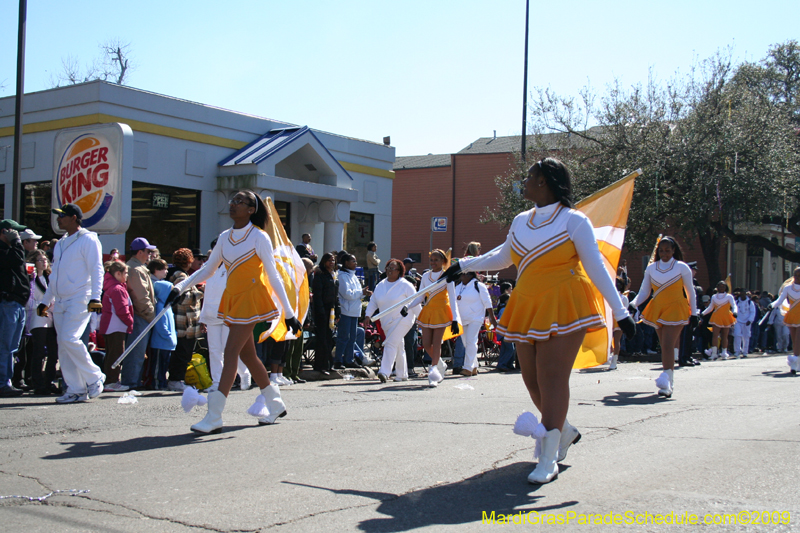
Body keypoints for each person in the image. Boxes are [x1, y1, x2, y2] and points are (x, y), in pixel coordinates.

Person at [443, 158, 635, 484]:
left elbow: (597, 268)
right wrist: (464, 264)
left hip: (565, 303)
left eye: (530, 176)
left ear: (545, 181)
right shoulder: (520, 220)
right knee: (532, 380)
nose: (525, 181)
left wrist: (621, 312)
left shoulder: (574, 221)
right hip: (527, 303)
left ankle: (548, 457)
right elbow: (504, 256)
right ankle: (564, 430)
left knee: (552, 378)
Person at [169, 190, 300, 433]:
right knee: (248, 356)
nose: (234, 204)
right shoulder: (224, 237)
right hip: (232, 299)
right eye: (233, 200)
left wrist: (290, 313)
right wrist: (180, 286)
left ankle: (214, 416)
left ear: (252, 209)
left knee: (230, 354)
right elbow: (208, 270)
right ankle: (275, 403)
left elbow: (273, 276)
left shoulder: (259, 237)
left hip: (250, 299)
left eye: (241, 202)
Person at [37, 204, 105, 403]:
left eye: (62, 216)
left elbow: (97, 269)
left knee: (69, 338)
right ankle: (76, 389)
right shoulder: (60, 243)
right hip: (60, 300)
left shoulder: (89, 239)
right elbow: (55, 275)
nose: (58, 220)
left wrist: (95, 297)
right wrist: (45, 301)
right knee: (63, 345)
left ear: (74, 218)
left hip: (80, 298)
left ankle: (94, 376)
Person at [630, 236, 697, 398]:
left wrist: (694, 313)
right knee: (664, 346)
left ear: (674, 250)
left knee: (667, 344)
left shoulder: (682, 267)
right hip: (658, 308)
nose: (664, 253)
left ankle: (666, 382)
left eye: (668, 250)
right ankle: (669, 381)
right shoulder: (651, 268)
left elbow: (690, 292)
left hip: (676, 308)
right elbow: (644, 292)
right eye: (661, 250)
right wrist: (633, 304)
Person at [196, 243, 251, 392]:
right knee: (214, 349)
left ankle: (243, 373)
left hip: (229, 313)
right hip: (211, 313)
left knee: (230, 349)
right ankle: (217, 382)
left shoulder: (234, 266)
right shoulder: (208, 267)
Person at [402, 249, 461, 388]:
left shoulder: (448, 276)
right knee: (427, 344)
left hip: (441, 311)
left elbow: (452, 299)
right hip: (428, 311)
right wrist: (408, 306)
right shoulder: (425, 276)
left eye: (437, 260)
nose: (433, 262)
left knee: (436, 343)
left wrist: (455, 319)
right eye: (432, 260)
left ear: (443, 262)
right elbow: (421, 296)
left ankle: (433, 373)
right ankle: (440, 364)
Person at [365, 259, 418, 382]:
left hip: (403, 319)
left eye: (393, 268)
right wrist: (368, 315)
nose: (389, 270)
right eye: (388, 267)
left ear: (399, 271)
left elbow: (416, 301)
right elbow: (373, 302)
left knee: (390, 343)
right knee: (399, 346)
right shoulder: (381, 285)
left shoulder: (406, 285)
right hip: (386, 321)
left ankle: (384, 372)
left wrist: (421, 319)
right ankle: (402, 374)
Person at [121, 237, 157, 389]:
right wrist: (151, 316)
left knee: (138, 352)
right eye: (148, 251)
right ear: (140, 252)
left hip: (141, 315)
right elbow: (141, 297)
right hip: (141, 316)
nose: (150, 254)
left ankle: (133, 381)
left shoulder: (137, 268)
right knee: (136, 351)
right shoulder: (135, 270)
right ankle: (131, 382)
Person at [0, 219, 31, 397]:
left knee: (12, 347)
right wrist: (16, 242)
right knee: (5, 346)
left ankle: (7, 380)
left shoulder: (11, 250)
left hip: (17, 303)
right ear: (4, 232)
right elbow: (16, 259)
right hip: (7, 302)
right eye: (13, 231)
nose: (17, 235)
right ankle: (3, 382)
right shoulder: (6, 251)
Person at [167, 249, 203, 392]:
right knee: (183, 352)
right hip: (184, 322)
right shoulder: (181, 276)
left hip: (183, 321)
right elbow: (183, 298)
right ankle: (176, 380)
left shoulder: (176, 273)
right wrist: (200, 292)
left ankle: (176, 379)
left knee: (182, 352)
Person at [25, 250, 59, 395]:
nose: (44, 262)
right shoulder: (30, 278)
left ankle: (49, 381)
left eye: (45, 259)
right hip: (37, 317)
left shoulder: (50, 277)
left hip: (51, 317)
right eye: (40, 260)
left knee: (53, 352)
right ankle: (38, 383)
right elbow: (30, 299)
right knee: (38, 352)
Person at [453, 268, 496, 376]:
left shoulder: (479, 286)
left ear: (469, 275)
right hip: (462, 318)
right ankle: (474, 366)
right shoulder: (458, 287)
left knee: (471, 341)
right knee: (466, 343)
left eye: (462, 275)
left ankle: (467, 368)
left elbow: (487, 302)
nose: (460, 277)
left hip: (475, 318)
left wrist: (492, 318)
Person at [99, 261, 134, 391]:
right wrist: (130, 322)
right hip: (115, 326)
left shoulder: (113, 287)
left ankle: (110, 380)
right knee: (116, 355)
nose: (127, 276)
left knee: (112, 354)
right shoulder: (117, 289)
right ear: (118, 273)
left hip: (112, 326)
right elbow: (122, 310)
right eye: (125, 273)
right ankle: (111, 381)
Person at [147, 259, 178, 391]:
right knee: (158, 365)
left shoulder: (167, 307)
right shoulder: (160, 307)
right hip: (161, 342)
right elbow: (161, 326)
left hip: (167, 343)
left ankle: (162, 382)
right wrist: (169, 336)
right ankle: (156, 383)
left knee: (164, 364)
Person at [336, 253, 368, 369]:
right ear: (346, 263)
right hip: (346, 310)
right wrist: (361, 293)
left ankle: (349, 359)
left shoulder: (353, 276)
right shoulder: (342, 276)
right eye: (353, 261)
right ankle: (338, 359)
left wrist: (363, 293)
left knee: (352, 337)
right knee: (344, 337)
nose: (355, 263)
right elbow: (347, 294)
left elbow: (357, 293)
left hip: (354, 311)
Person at [312, 252, 338, 375]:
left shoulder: (333, 275)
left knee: (330, 339)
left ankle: (329, 364)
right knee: (322, 339)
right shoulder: (319, 275)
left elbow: (335, 296)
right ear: (324, 261)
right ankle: (320, 365)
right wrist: (321, 312)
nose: (331, 262)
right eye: (329, 260)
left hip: (331, 311)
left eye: (333, 260)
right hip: (322, 311)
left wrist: (338, 312)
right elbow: (317, 296)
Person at [770, 267, 800, 374]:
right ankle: (797, 361)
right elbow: (780, 300)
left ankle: (795, 363)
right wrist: (771, 305)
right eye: (795, 275)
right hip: (792, 315)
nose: (797, 277)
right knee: (794, 338)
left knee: (798, 340)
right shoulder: (788, 288)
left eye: (799, 275)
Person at [702, 281, 737, 360]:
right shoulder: (714, 297)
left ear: (726, 288)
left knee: (725, 335)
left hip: (726, 317)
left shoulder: (729, 296)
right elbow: (710, 307)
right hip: (717, 317)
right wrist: (703, 313)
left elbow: (734, 305)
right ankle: (714, 353)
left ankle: (724, 352)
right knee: (715, 335)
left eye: (723, 286)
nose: (721, 288)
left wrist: (735, 312)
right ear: (717, 287)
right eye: (720, 286)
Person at [608, 278, 629, 370]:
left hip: (618, 320)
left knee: (616, 340)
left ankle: (614, 360)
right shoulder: (608, 295)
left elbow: (626, 310)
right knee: (608, 340)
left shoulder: (624, 298)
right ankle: (608, 357)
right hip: (609, 320)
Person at [732, 289, 756, 358]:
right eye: (741, 294)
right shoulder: (736, 302)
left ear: (746, 294)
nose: (742, 295)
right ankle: (737, 351)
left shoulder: (750, 302)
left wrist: (750, 320)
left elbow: (752, 312)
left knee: (746, 337)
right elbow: (734, 311)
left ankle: (745, 352)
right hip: (738, 321)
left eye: (743, 294)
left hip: (747, 322)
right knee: (737, 335)